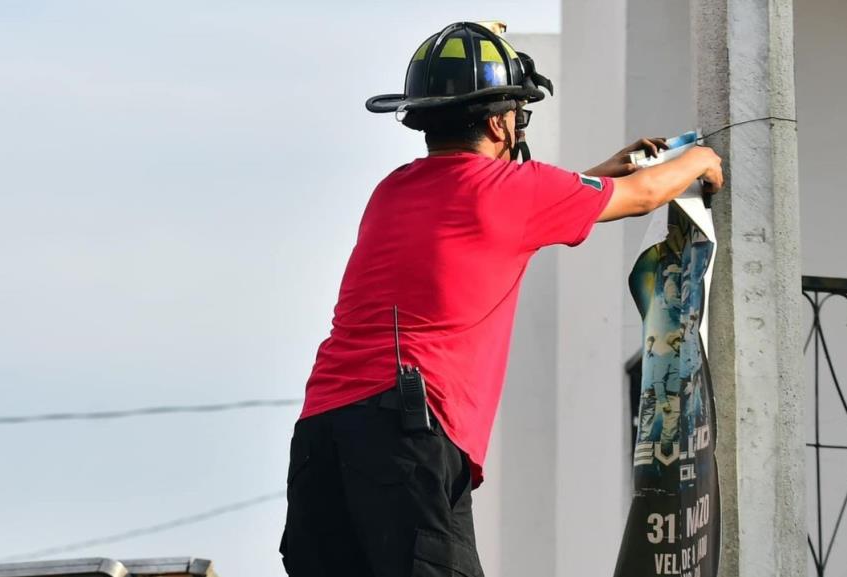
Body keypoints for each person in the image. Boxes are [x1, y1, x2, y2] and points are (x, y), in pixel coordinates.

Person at [279, 22, 723, 577]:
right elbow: (642, 196)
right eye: (517, 113)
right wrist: (703, 156)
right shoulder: (515, 192)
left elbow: (496, 215)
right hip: (408, 434)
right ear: (497, 121)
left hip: (322, 436)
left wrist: (601, 171)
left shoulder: (392, 191)